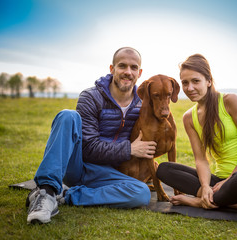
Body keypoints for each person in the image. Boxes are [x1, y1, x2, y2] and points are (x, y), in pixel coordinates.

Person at [27, 47, 157, 224]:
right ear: (112, 69)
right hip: (78, 166)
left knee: (141, 193)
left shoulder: (141, 106)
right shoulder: (91, 97)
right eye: (122, 66)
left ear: (140, 72)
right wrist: (130, 149)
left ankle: (68, 195)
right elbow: (88, 148)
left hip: (108, 174)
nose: (128, 72)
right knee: (68, 115)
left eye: (133, 68)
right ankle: (45, 193)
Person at [156, 54, 237, 214]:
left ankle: (197, 202)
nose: (190, 88)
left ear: (209, 81)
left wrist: (229, 180)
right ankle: (228, 203)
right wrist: (205, 186)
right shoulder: (189, 117)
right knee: (164, 169)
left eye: (196, 81)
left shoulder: (230, 101)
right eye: (185, 83)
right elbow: (201, 159)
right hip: (218, 182)